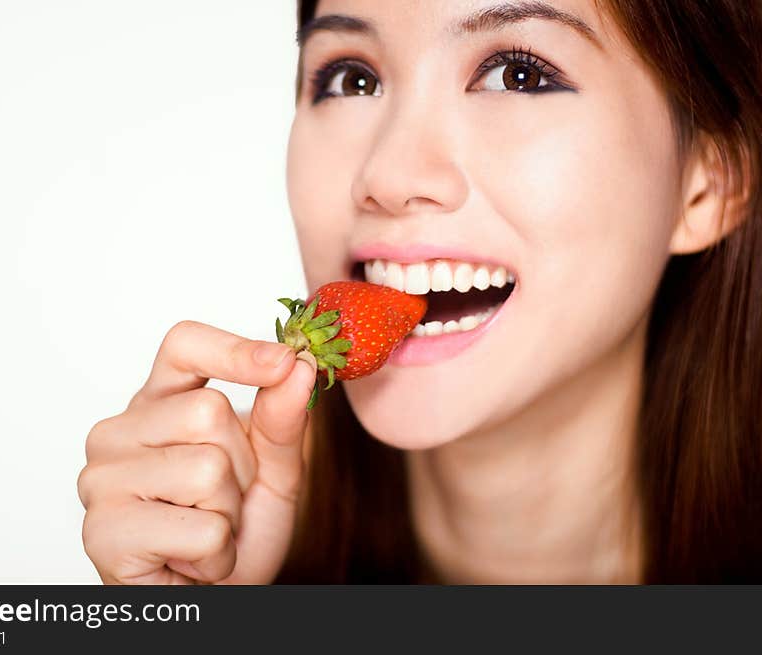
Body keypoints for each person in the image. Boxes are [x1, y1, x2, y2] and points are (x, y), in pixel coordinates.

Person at [77, 0, 762, 584]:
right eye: (352, 78)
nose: (389, 173)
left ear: (709, 182)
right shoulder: (237, 569)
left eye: (517, 75)